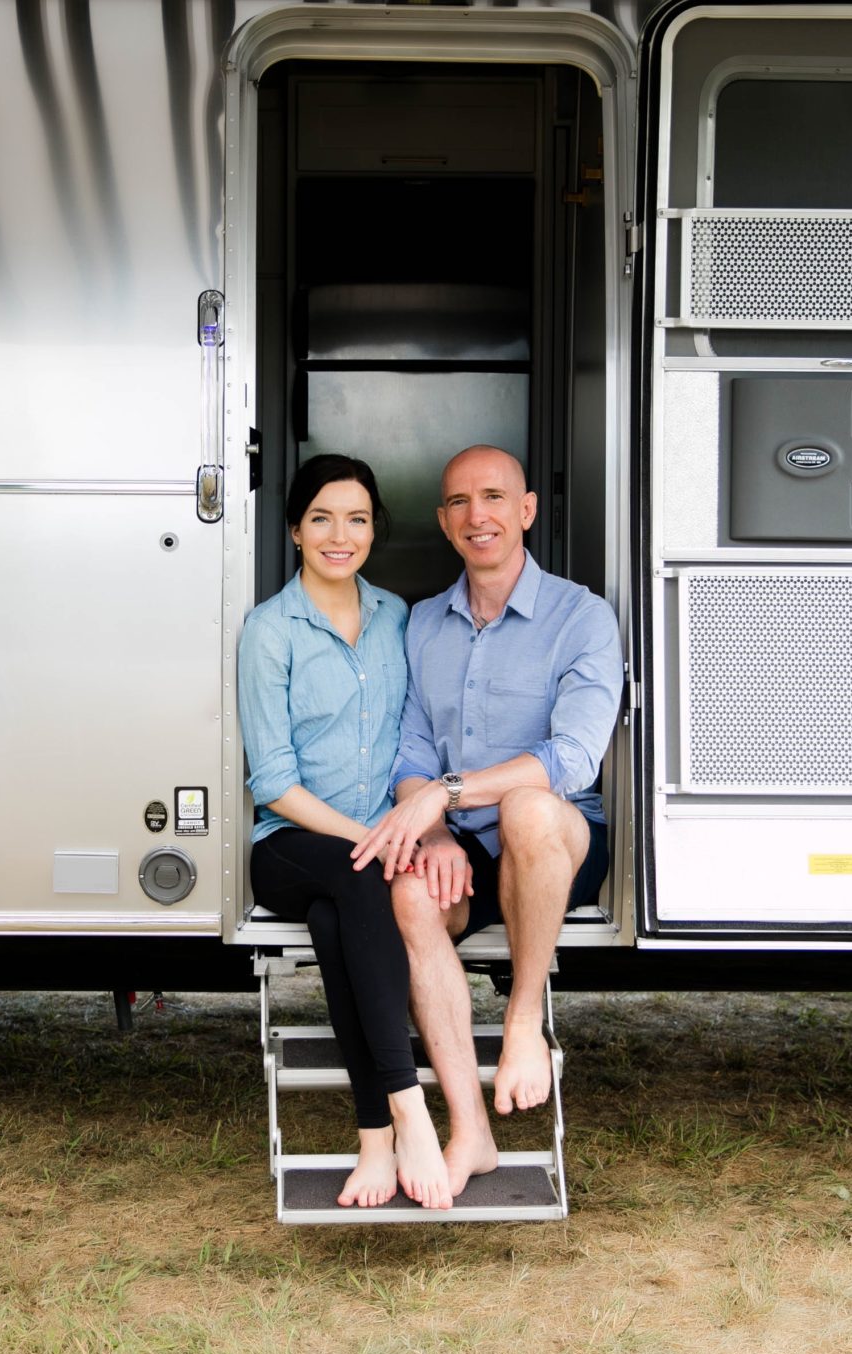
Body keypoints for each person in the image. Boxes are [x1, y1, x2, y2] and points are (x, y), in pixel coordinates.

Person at [350, 444, 623, 1196]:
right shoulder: (422, 625)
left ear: (526, 510)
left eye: (495, 497)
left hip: (557, 839)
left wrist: (448, 793)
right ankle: (471, 1131)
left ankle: (523, 1021)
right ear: (444, 522)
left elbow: (574, 757)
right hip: (464, 842)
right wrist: (435, 828)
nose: (479, 516)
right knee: (410, 894)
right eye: (461, 502)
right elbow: (409, 751)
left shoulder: (581, 616)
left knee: (528, 808)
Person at [239, 454, 454, 1210]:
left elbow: (417, 733)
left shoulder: (398, 616)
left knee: (340, 921)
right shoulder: (270, 630)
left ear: (374, 529)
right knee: (357, 876)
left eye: (357, 519)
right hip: (290, 845)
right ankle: (410, 1110)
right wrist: (376, 837)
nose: (341, 535)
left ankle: (374, 1141)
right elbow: (273, 781)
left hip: (367, 855)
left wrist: (415, 822)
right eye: (322, 518)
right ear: (295, 530)